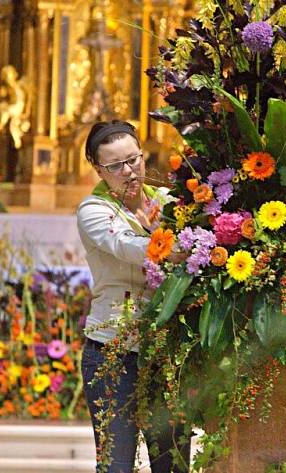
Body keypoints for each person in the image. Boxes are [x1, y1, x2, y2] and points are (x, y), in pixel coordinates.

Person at [76, 120, 189, 473]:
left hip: (165, 353)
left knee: (172, 465)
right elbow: (128, 246)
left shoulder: (167, 203)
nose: (129, 172)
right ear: (98, 169)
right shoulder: (93, 210)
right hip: (113, 351)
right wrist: (169, 243)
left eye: (134, 160)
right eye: (115, 166)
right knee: (116, 467)